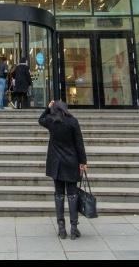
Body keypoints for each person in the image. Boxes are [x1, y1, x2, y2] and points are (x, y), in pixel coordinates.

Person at [39, 99, 87, 240]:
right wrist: (83, 161)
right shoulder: (72, 122)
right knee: (72, 194)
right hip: (71, 162)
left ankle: (61, 228)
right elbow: (79, 142)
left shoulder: (51, 121)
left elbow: (40, 119)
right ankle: (73, 227)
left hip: (56, 164)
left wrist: (48, 108)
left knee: (59, 194)